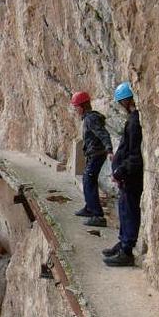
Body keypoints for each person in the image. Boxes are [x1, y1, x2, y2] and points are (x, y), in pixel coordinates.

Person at [103, 82, 144, 267]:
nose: (120, 106)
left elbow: (134, 155)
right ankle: (122, 242)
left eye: (121, 102)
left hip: (130, 178)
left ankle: (126, 250)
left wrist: (120, 171)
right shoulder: (133, 120)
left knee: (129, 211)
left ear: (127, 101)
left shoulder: (135, 122)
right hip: (126, 177)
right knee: (124, 210)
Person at [70, 91, 113, 227]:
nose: (76, 110)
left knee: (88, 181)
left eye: (76, 107)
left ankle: (97, 215)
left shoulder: (90, 119)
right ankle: (89, 208)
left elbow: (103, 133)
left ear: (81, 107)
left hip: (96, 154)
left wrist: (109, 149)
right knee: (88, 180)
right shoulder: (89, 118)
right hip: (93, 154)